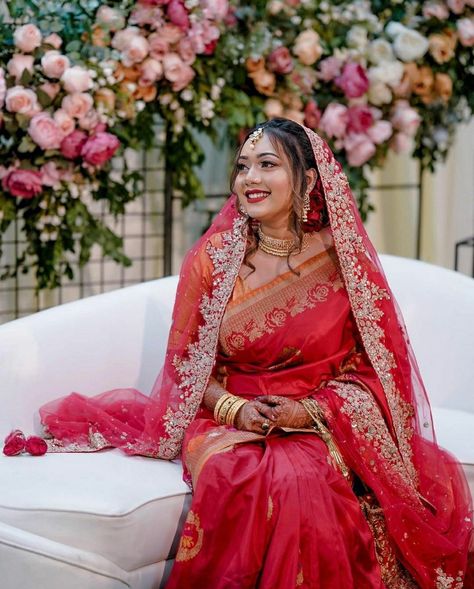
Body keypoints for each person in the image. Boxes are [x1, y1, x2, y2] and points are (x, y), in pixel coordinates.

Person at [14, 119, 472, 588]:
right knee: (247, 476)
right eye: (242, 167)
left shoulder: (343, 262)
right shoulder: (212, 262)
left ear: (309, 179)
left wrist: (310, 411)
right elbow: (187, 373)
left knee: (305, 476)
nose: (249, 179)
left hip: (321, 418)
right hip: (229, 416)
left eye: (267, 165)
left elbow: (378, 370)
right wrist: (236, 409)